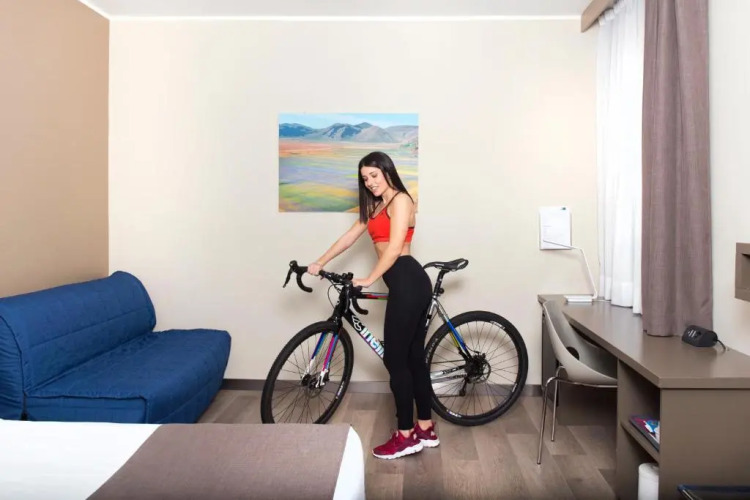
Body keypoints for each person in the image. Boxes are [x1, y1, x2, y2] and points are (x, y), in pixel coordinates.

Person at [307, 151, 439, 459]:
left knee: (395, 359)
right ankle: (425, 427)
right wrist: (320, 261)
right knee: (413, 359)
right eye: (365, 178)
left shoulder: (401, 200)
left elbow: (394, 248)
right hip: (401, 281)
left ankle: (405, 435)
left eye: (374, 175)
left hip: (408, 280)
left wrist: (369, 278)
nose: (369, 182)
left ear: (387, 172)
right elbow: (349, 237)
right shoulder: (375, 206)